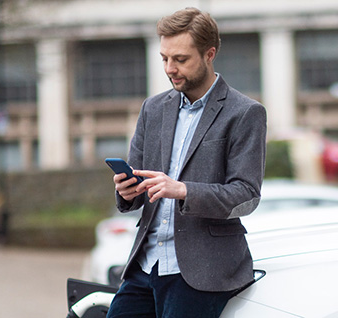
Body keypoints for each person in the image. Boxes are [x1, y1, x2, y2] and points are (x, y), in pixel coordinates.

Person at [107, 7, 267, 318]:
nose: (170, 68)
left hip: (201, 272)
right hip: (145, 263)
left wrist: (182, 190)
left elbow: (247, 194)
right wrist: (127, 191)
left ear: (210, 54)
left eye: (181, 59)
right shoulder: (152, 109)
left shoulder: (245, 113)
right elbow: (139, 185)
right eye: (165, 58)